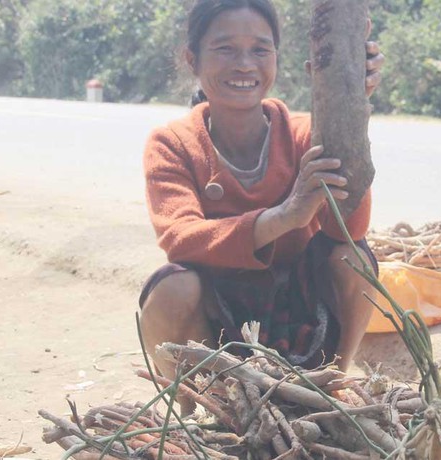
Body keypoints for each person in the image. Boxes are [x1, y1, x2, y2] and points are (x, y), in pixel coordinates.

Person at [139, 0, 384, 412]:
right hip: (219, 319)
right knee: (172, 286)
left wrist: (349, 110)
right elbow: (179, 238)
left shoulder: (306, 133)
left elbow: (348, 232)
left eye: (259, 49)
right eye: (225, 49)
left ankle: (332, 385)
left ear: (277, 58)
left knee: (354, 259)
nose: (244, 64)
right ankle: (202, 403)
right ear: (192, 59)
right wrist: (283, 217)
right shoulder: (173, 144)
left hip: (300, 308)